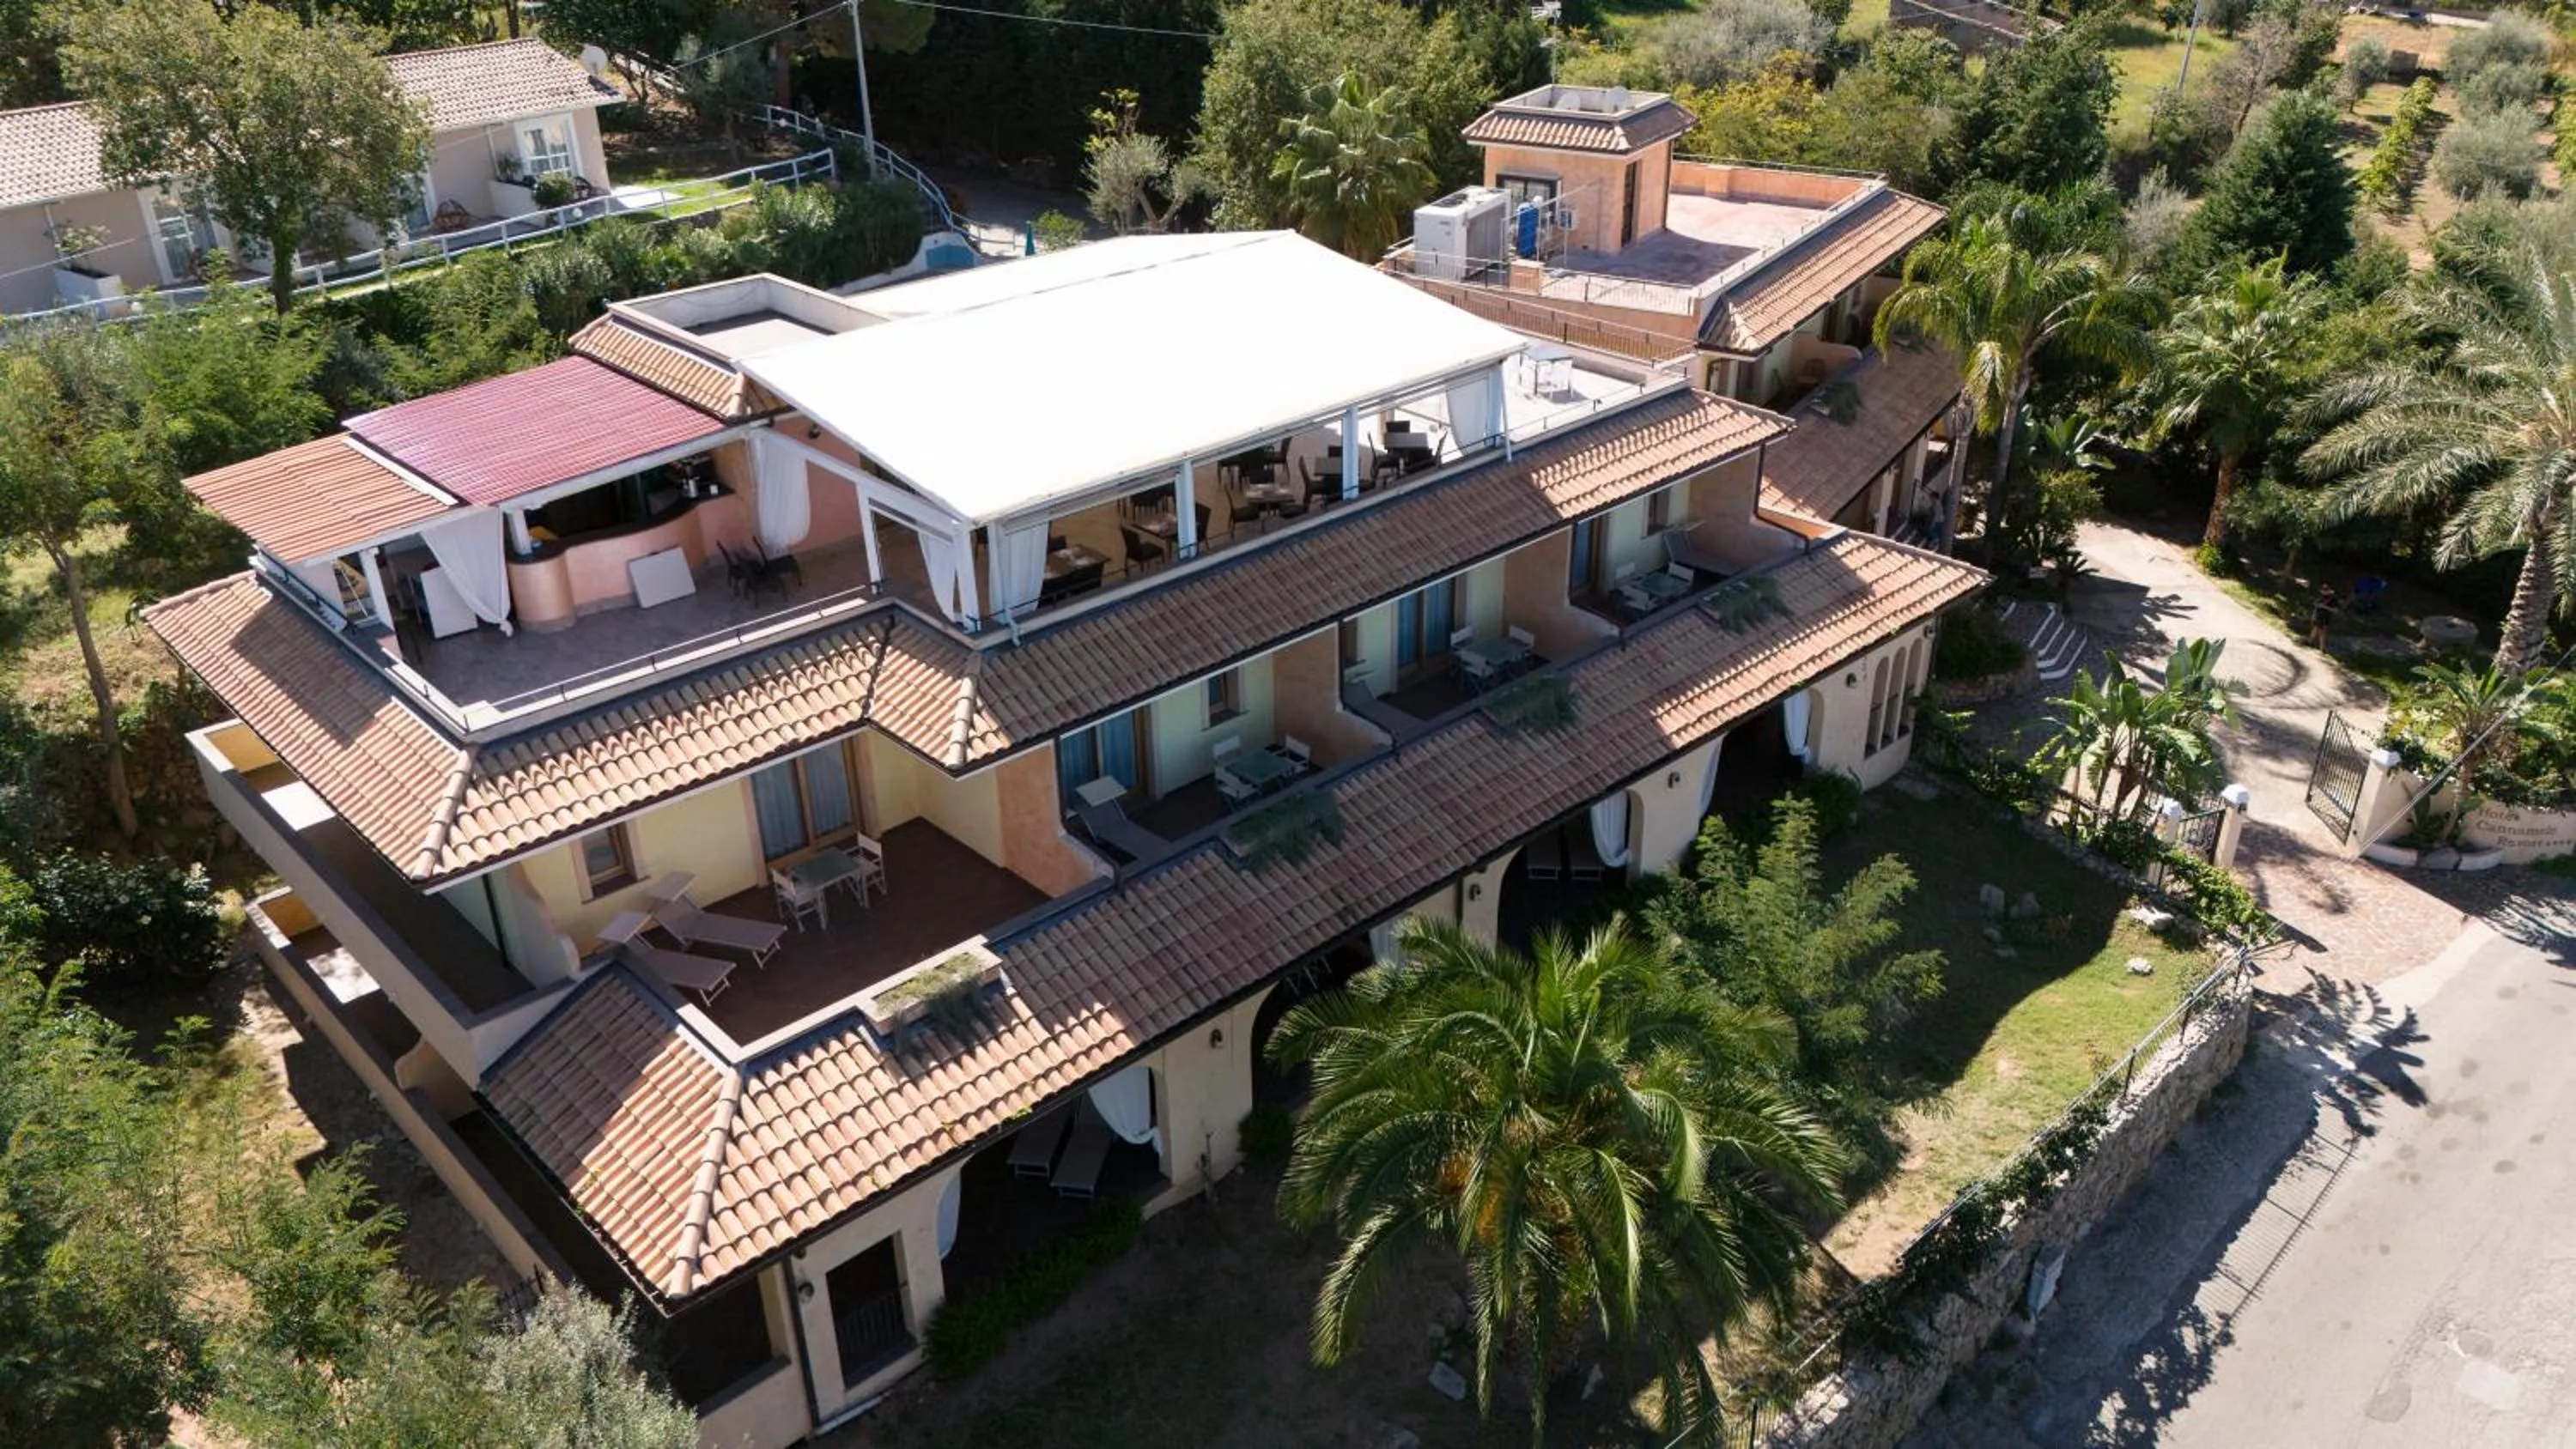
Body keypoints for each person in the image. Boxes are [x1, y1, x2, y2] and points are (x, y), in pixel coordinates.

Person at [2307, 583, 2340, 649]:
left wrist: (2324, 607)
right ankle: (2310, 642)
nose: (2324, 591)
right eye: (2323, 589)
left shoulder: (2333, 599)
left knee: (2322, 632)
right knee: (2315, 629)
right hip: (2317, 615)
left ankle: (2322, 648)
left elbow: (2335, 610)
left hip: (2325, 618)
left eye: (2326, 589)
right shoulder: (2320, 596)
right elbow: (2315, 603)